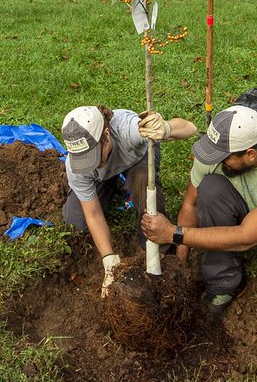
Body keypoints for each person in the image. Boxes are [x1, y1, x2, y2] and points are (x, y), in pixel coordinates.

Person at [141, 105, 257, 316]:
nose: (214, 159)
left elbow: (245, 237)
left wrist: (173, 234)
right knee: (211, 189)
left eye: (223, 157)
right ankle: (223, 283)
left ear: (250, 154)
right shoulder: (218, 149)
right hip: (250, 205)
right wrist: (179, 263)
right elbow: (190, 204)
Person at [60, 105, 198, 295]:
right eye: (82, 159)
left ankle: (162, 252)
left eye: (92, 156)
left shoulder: (129, 130)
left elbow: (190, 128)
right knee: (75, 220)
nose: (89, 164)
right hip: (106, 173)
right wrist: (109, 260)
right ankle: (113, 183)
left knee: (142, 181)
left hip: (137, 159)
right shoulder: (75, 168)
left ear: (107, 135)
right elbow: (93, 214)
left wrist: (165, 127)